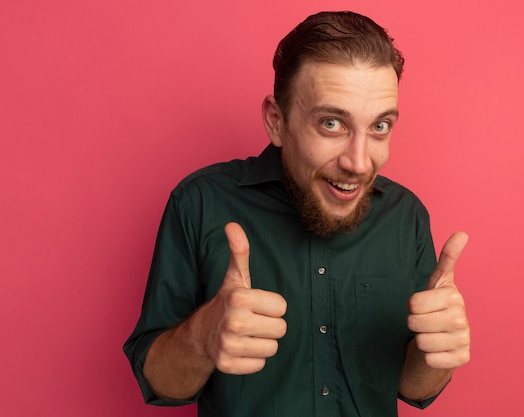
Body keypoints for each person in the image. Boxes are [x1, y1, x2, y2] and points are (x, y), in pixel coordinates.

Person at [124, 10, 470, 417]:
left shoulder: (405, 216)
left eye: (379, 127)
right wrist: (202, 336)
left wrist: (437, 357)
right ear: (276, 121)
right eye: (331, 123)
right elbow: (159, 383)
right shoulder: (199, 202)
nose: (359, 163)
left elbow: (413, 389)